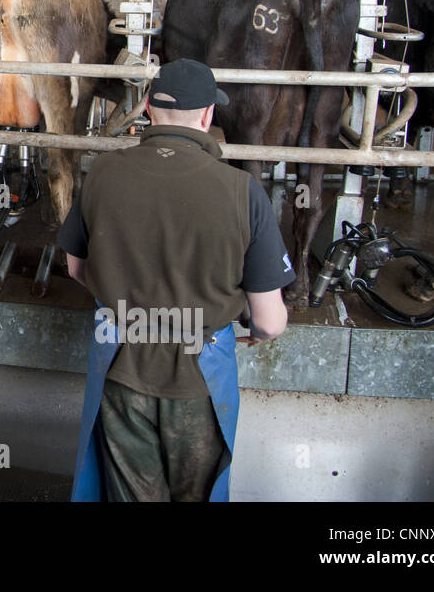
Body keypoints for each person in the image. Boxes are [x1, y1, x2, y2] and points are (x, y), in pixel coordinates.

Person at [59, 58, 292, 502]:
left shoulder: (103, 172)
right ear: (208, 116)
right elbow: (270, 322)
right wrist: (255, 335)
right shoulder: (243, 191)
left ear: (148, 107)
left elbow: (75, 267)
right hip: (198, 381)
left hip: (121, 370)